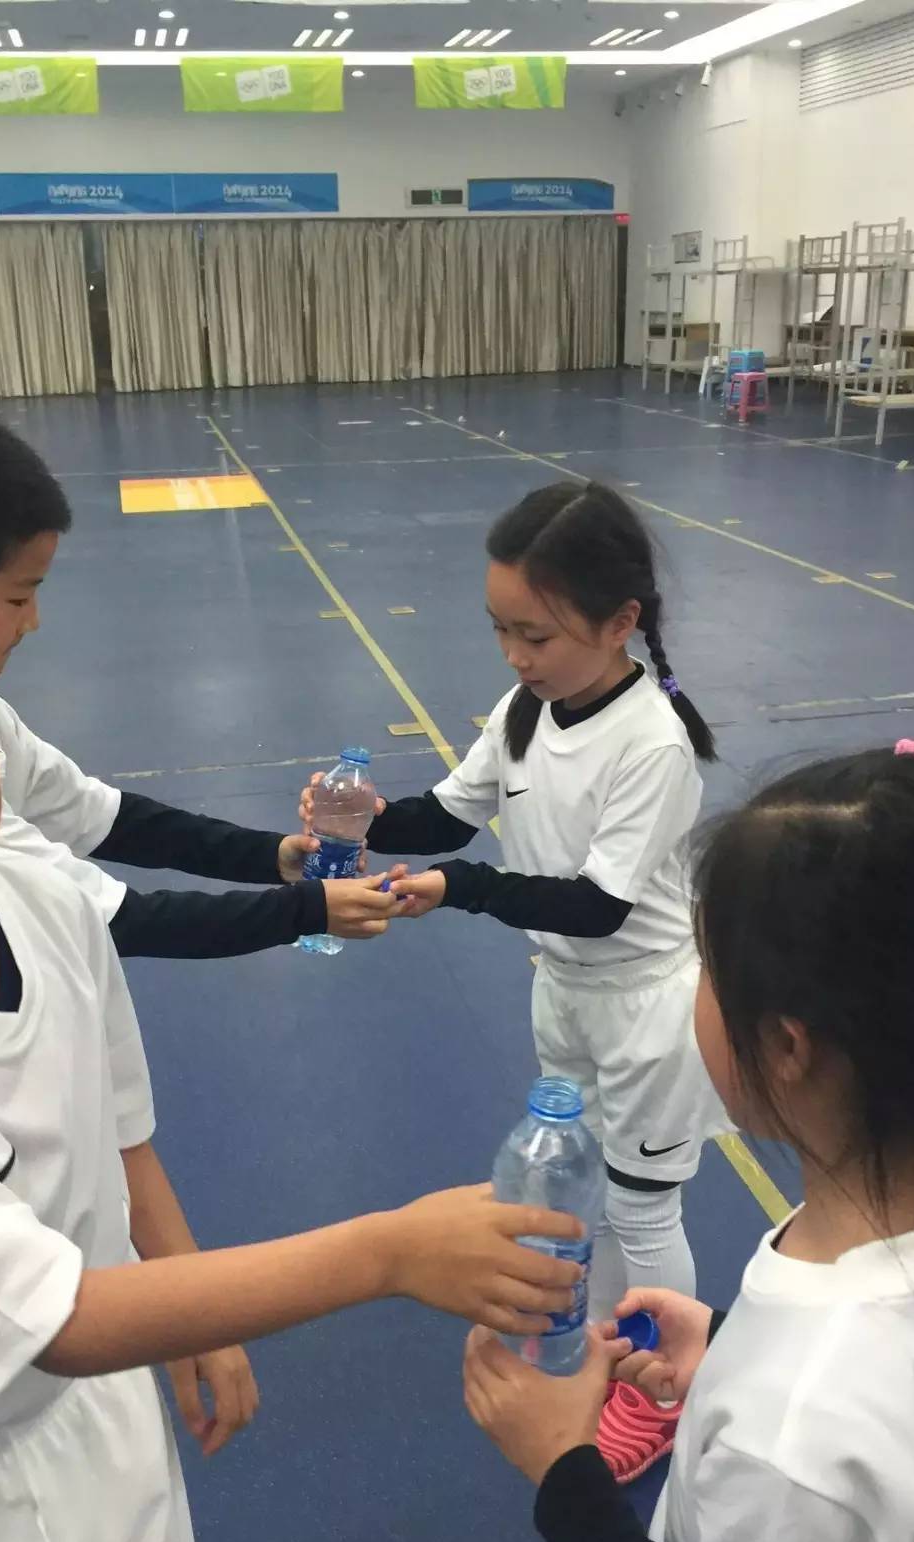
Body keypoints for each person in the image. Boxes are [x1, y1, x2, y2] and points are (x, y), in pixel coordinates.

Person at [0, 471, 586, 1542]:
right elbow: (50, 1319)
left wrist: (186, 1287)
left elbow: (110, 1113)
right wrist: (382, 1252)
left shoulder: (38, 896)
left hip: (90, 1450)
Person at [462, 739, 914, 1542]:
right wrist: (734, 1355)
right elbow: (894, 1411)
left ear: (784, 1043)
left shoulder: (796, 1424)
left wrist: (565, 1474)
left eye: (705, 967)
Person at [302, 479, 725, 1481]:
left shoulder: (651, 746)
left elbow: (597, 904)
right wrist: (358, 816)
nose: (514, 655)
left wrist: (461, 889)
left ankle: (657, 1392)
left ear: (620, 620)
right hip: (565, 989)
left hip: (649, 1010)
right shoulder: (525, 709)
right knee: (584, 1190)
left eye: (534, 635)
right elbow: (448, 815)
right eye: (500, 631)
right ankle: (598, 1346)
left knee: (644, 1207)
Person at [0, 395, 398, 961]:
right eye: (18, 596)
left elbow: (100, 816)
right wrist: (309, 909)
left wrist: (272, 856)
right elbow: (111, 919)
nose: (32, 620)